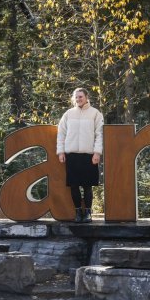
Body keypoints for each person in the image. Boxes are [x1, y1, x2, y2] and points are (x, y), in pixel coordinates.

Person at [57, 88, 104, 223]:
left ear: (86, 97)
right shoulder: (68, 114)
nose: (78, 99)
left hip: (88, 155)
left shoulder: (95, 113)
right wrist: (61, 152)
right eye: (76, 97)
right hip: (72, 155)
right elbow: (61, 133)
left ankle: (88, 213)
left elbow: (99, 134)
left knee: (87, 185)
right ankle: (78, 212)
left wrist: (97, 152)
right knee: (74, 185)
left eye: (80, 97)